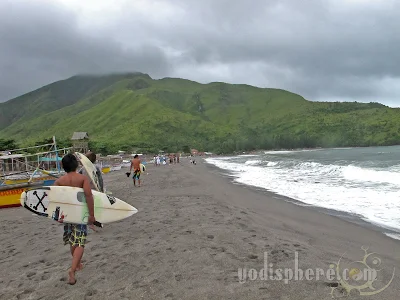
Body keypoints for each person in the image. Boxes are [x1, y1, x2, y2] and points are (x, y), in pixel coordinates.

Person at [53, 153, 96, 285]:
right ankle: (72, 270)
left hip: (67, 215)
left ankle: (77, 264)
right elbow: (89, 196)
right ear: (77, 165)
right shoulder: (82, 178)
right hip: (79, 214)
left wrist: (57, 216)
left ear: (63, 166)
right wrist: (91, 215)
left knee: (73, 240)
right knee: (80, 243)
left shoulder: (59, 181)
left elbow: (55, 201)